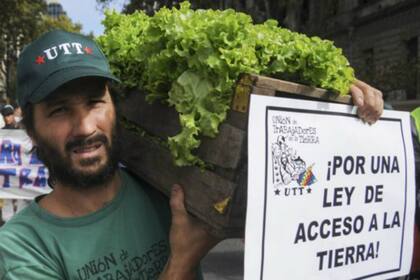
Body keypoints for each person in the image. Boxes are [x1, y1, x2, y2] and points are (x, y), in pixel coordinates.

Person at [0, 30, 383, 279]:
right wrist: (181, 262)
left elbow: (303, 189)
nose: (85, 127)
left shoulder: (167, 185)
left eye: (95, 103)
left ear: (116, 107)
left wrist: (328, 103)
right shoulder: (22, 247)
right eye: (60, 110)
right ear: (29, 126)